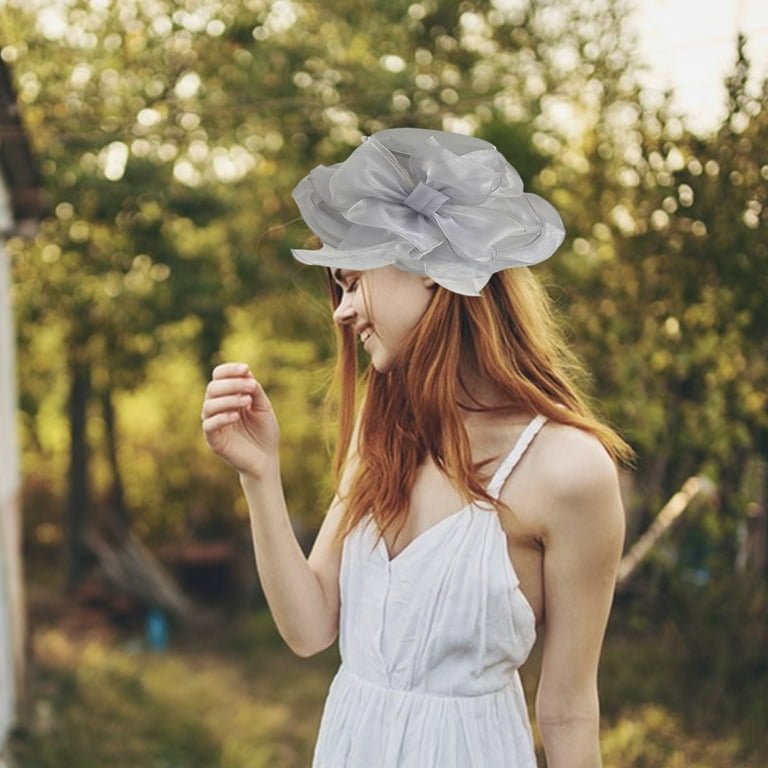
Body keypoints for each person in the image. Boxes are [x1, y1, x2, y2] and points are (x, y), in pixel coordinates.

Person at [201, 128, 632, 768]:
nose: (342, 313)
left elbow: (568, 711)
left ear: (433, 274)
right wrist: (260, 475)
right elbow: (309, 628)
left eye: (351, 282)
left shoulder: (568, 472)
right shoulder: (384, 432)